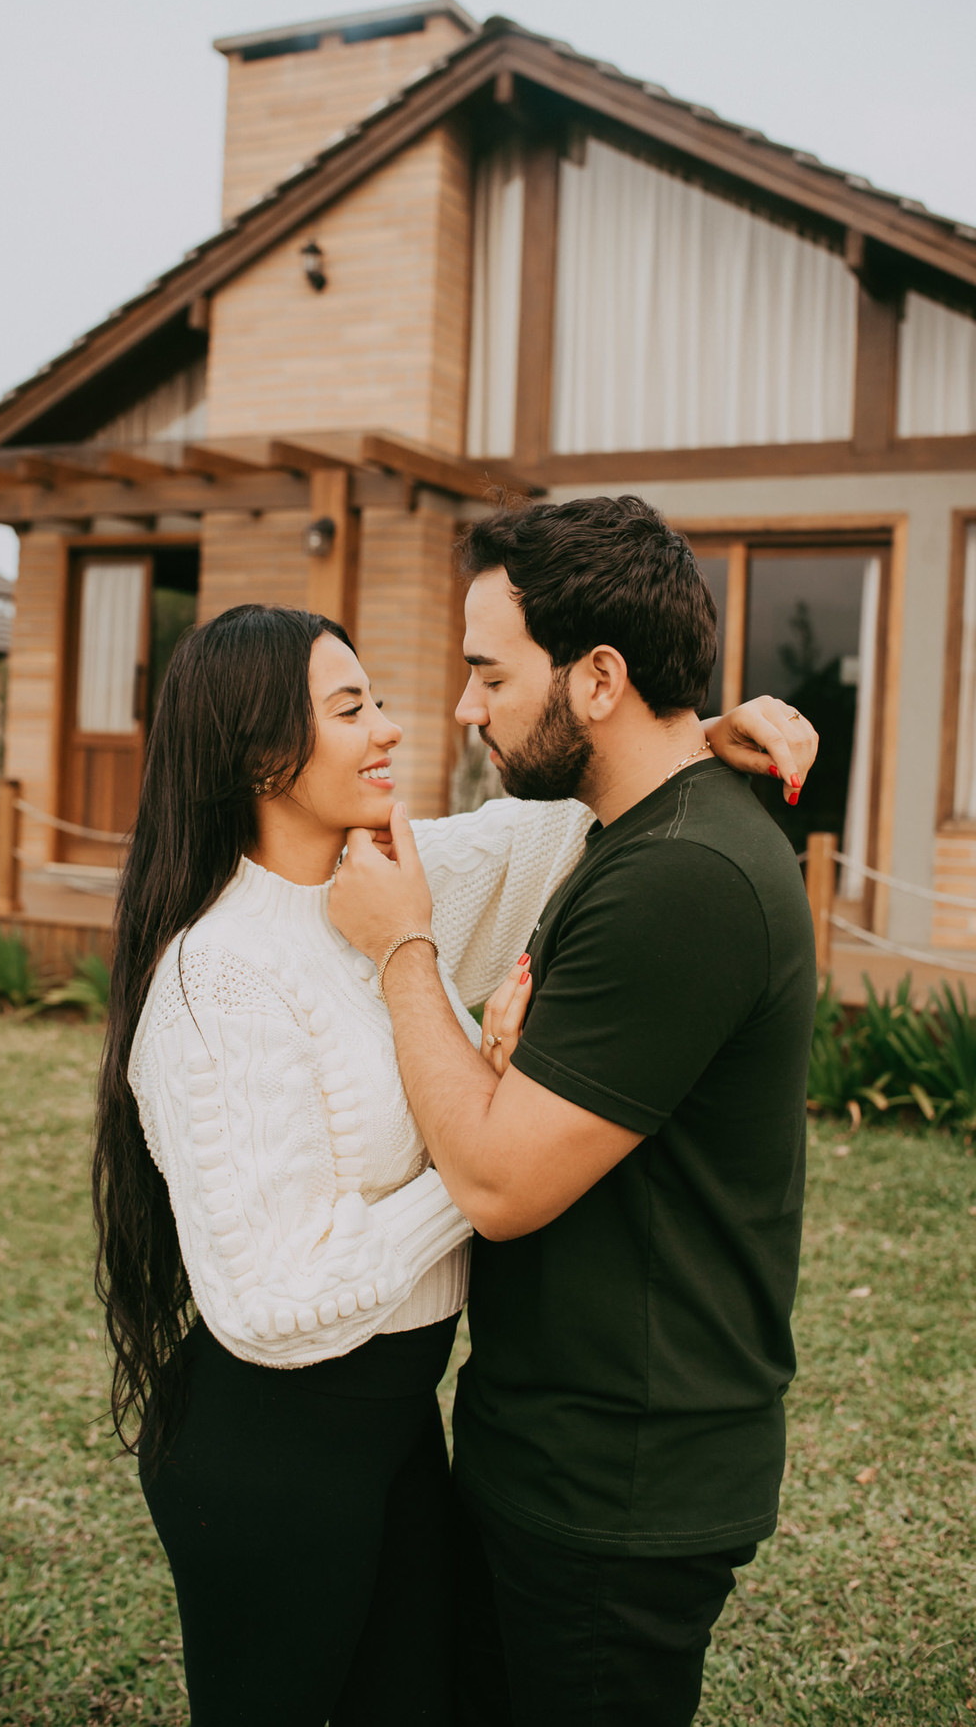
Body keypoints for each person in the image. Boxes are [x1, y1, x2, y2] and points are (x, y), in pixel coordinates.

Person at [92, 598, 815, 1726]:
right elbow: (272, 1301)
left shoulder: (386, 872)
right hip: (274, 1454)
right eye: (349, 709)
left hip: (397, 1427)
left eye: (376, 699)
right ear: (259, 754)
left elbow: (559, 827)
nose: (391, 727)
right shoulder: (218, 977)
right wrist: (480, 1144)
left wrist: (696, 734)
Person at [329, 496, 820, 1727]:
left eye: (490, 671)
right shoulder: (637, 830)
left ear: (598, 678)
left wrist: (405, 952)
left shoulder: (683, 876)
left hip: (621, 1488)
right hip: (553, 1448)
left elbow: (497, 1184)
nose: (463, 705)